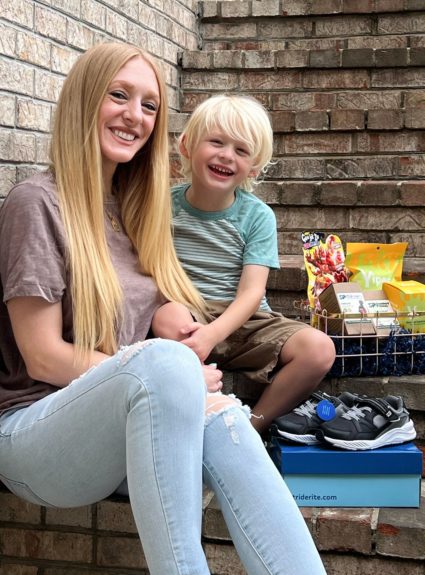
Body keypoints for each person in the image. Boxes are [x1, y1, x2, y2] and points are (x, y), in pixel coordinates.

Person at [0, 43, 327, 575]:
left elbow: (148, 304)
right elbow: (41, 358)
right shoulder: (37, 203)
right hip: (34, 438)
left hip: (124, 434)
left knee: (228, 421)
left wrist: (168, 315)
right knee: (171, 369)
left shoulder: (134, 212)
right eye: (119, 95)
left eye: (150, 105)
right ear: (86, 99)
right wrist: (169, 374)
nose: (135, 116)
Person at [152, 94, 336, 433]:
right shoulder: (162, 206)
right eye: (217, 142)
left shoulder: (256, 216)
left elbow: (252, 293)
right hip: (188, 314)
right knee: (166, 316)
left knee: (320, 349)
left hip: (247, 320)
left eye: (241, 150)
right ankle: (195, 407)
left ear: (253, 167)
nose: (226, 155)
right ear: (187, 145)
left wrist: (213, 334)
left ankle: (252, 427)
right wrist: (199, 330)